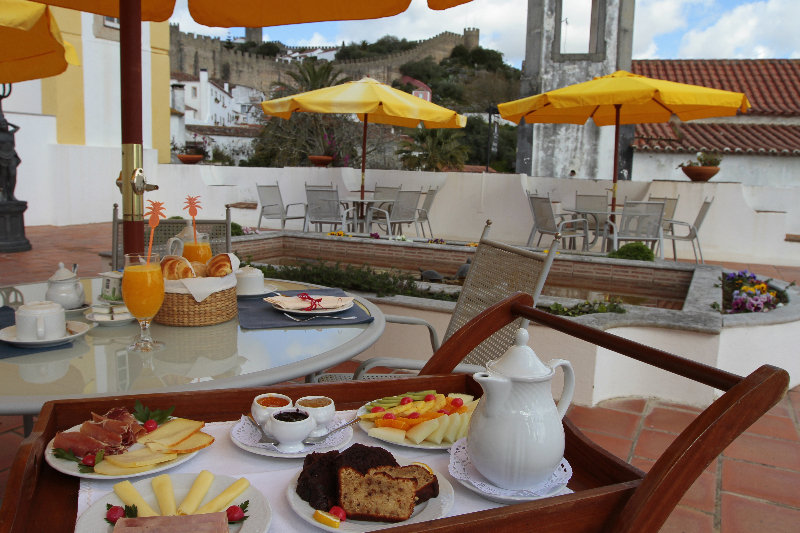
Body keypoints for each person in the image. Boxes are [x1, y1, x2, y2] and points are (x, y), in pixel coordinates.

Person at [0, 116, 21, 202]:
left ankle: (11, 194)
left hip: (11, 155)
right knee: (3, 176)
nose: (4, 125)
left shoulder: (10, 133)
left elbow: (17, 127)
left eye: (5, 124)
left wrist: (8, 123)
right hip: (2, 156)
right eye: (2, 124)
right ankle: (4, 195)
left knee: (13, 175)